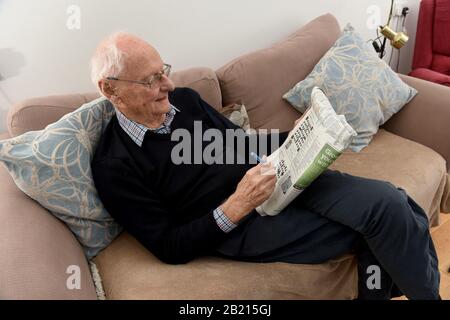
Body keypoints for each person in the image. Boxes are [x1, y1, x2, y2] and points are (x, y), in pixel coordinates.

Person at [90, 32, 440, 300]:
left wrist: (302, 133)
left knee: (395, 202)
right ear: (111, 90)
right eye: (151, 80)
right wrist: (237, 205)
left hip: (280, 175)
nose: (168, 84)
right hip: (239, 225)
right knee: (384, 223)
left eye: (163, 71)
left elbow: (240, 143)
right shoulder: (114, 165)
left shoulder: (186, 101)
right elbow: (169, 246)